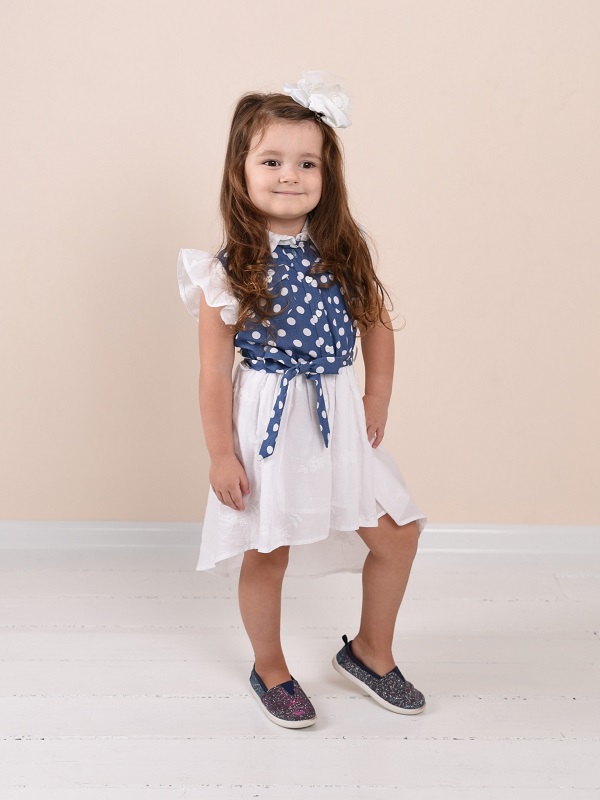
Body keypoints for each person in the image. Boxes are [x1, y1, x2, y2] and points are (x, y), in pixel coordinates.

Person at [177, 72, 427, 729]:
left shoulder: (342, 251)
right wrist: (221, 454)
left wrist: (376, 395)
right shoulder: (227, 269)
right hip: (269, 420)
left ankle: (370, 652)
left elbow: (376, 324)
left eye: (307, 163)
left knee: (397, 535)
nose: (290, 175)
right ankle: (270, 669)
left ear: (326, 173)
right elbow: (213, 372)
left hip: (336, 417)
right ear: (241, 171)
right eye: (272, 161)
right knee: (269, 550)